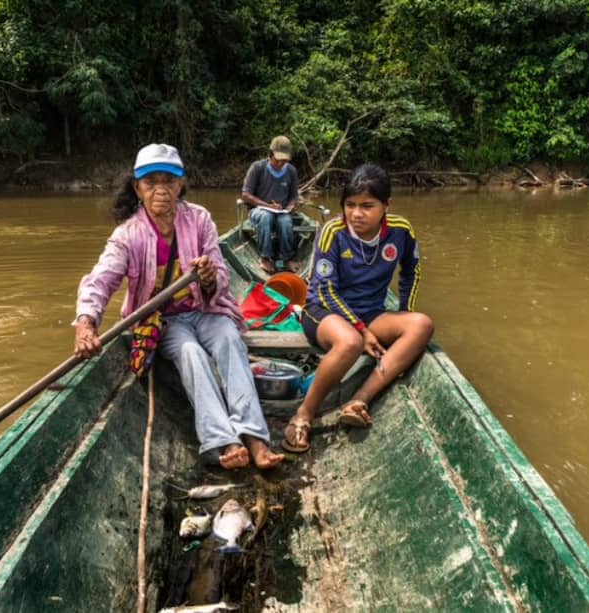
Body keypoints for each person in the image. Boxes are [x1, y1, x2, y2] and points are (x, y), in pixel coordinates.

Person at [74, 143, 284, 470]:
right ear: (137, 188)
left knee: (230, 341)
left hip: (205, 310)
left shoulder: (199, 219)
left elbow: (222, 278)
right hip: (166, 322)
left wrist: (209, 277)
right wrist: (86, 323)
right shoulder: (128, 234)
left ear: (181, 184)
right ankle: (221, 440)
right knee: (190, 354)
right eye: (150, 182)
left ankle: (255, 436)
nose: (160, 191)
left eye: (169, 182)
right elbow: (100, 280)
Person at [281, 164, 434, 453]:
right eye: (350, 205)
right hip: (324, 311)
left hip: (371, 312)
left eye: (367, 206)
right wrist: (361, 330)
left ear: (386, 206)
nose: (356, 213)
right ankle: (304, 414)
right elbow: (325, 290)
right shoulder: (332, 232)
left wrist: (404, 311)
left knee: (422, 325)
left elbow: (411, 271)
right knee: (349, 342)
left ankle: (359, 400)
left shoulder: (401, 230)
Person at [240, 135, 301, 275]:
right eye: (278, 160)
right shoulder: (257, 168)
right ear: (270, 154)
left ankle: (287, 258)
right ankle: (265, 257)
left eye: (284, 161)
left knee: (285, 221)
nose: (280, 164)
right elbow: (245, 195)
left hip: (281, 212)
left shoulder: (291, 171)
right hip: (259, 211)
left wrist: (290, 206)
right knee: (266, 216)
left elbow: (294, 197)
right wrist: (267, 206)